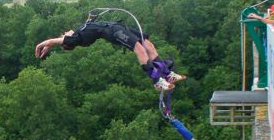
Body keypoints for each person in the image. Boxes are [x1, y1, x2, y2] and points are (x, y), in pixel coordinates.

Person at [35, 20, 186, 91]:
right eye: (63, 36)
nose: (65, 32)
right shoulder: (76, 38)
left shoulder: (80, 29)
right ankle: (157, 81)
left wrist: (90, 18)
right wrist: (45, 44)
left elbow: (90, 24)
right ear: (67, 41)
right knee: (140, 50)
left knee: (149, 45)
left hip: (118, 26)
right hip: (114, 32)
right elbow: (56, 41)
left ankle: (167, 75)